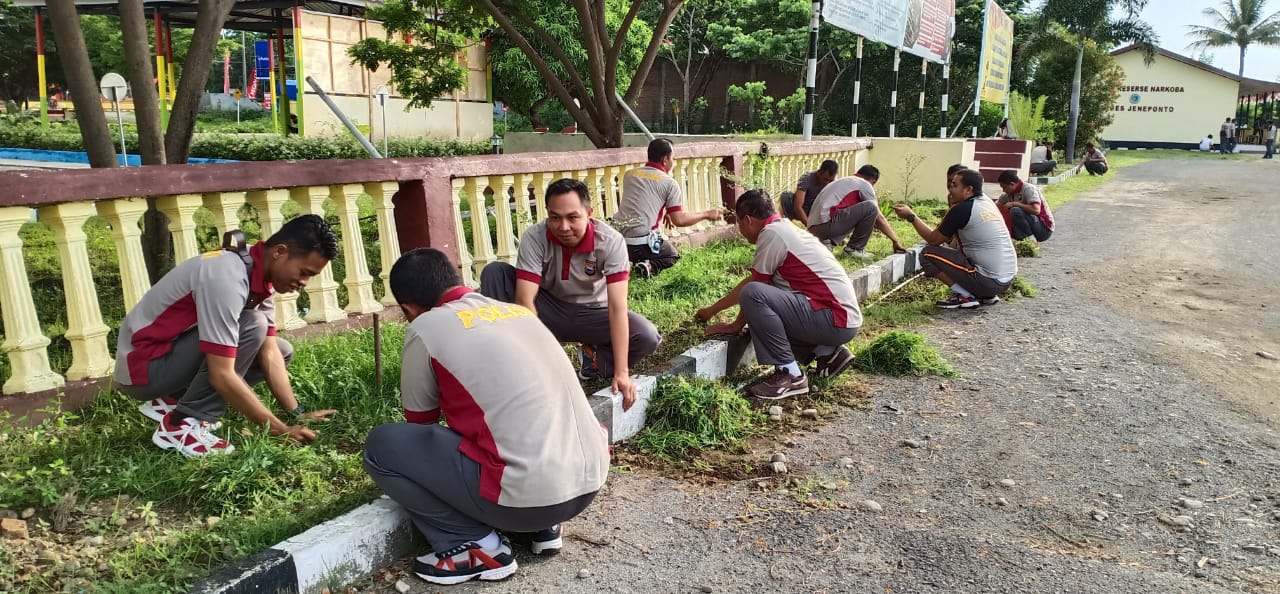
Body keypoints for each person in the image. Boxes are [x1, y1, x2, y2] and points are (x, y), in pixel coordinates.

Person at [364, 248, 608, 586]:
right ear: (457, 279)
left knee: (383, 445)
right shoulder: (517, 313)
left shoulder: (426, 327)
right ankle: (543, 528)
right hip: (588, 482)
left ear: (408, 309)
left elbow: (420, 426)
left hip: (529, 498)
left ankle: (470, 545)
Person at [114, 215, 338, 457]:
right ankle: (180, 424)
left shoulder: (258, 272)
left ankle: (172, 401)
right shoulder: (226, 276)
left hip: (168, 359)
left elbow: (270, 352)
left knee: (281, 350)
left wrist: (296, 412)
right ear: (280, 252)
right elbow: (221, 374)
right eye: (304, 272)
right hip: (145, 369)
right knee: (252, 325)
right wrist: (279, 429)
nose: (304, 282)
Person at [480, 178, 659, 408]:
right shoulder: (535, 237)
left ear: (588, 213)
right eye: (555, 217)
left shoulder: (610, 242)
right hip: (546, 309)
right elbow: (525, 300)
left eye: (572, 217)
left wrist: (622, 372)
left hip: (592, 314)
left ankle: (594, 361)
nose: (563, 227)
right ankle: (505, 360)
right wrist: (539, 363)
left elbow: (617, 308)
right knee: (495, 273)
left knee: (646, 336)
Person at [695, 190, 862, 399]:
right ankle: (827, 353)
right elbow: (757, 282)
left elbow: (754, 289)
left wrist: (735, 325)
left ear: (747, 220)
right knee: (765, 295)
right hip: (841, 319)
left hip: (834, 318)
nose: (741, 230)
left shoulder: (772, 234)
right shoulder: (785, 229)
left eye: (738, 223)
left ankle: (790, 374)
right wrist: (712, 311)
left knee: (754, 295)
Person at [891, 169, 1018, 309]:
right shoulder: (986, 202)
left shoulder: (962, 209)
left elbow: (933, 240)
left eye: (954, 185)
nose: (950, 190)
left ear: (969, 189)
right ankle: (985, 295)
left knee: (928, 253)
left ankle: (965, 296)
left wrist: (911, 216)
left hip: (989, 281)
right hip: (1006, 279)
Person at [613, 138, 722, 278]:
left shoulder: (630, 175)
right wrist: (706, 214)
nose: (673, 162)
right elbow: (679, 220)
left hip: (620, 241)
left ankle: (640, 263)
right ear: (665, 160)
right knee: (672, 255)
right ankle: (649, 266)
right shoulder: (669, 183)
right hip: (643, 244)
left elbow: (645, 198)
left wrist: (666, 210)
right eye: (673, 158)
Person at [805, 164, 908, 259]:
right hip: (827, 224)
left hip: (814, 229)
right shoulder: (864, 184)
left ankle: (827, 244)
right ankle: (854, 249)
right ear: (873, 181)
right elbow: (878, 217)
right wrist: (895, 241)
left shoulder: (844, 181)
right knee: (871, 207)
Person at [996, 170, 1054, 243]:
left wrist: (1015, 204)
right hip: (1031, 225)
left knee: (1015, 211)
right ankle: (1022, 241)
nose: (1003, 190)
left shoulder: (1028, 189)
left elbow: (1036, 210)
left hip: (1044, 228)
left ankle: (1031, 241)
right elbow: (997, 206)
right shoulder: (1007, 195)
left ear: (1012, 184)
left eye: (1004, 187)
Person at [779, 159, 839, 225]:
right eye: (825, 179)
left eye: (830, 181)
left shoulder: (834, 183)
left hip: (820, 211)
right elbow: (798, 207)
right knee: (786, 196)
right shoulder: (806, 179)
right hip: (806, 210)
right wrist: (808, 226)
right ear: (820, 172)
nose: (827, 183)